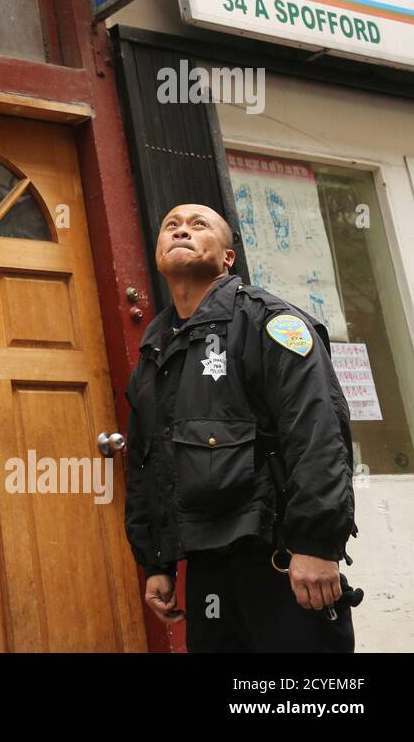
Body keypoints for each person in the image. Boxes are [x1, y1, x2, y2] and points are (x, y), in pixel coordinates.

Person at [124, 203, 358, 652]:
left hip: (280, 557)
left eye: (198, 225)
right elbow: (146, 463)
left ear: (228, 258)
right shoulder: (154, 353)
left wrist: (316, 543)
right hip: (206, 565)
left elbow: (318, 429)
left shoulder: (269, 321)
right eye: (170, 225)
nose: (181, 231)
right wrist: (157, 561)